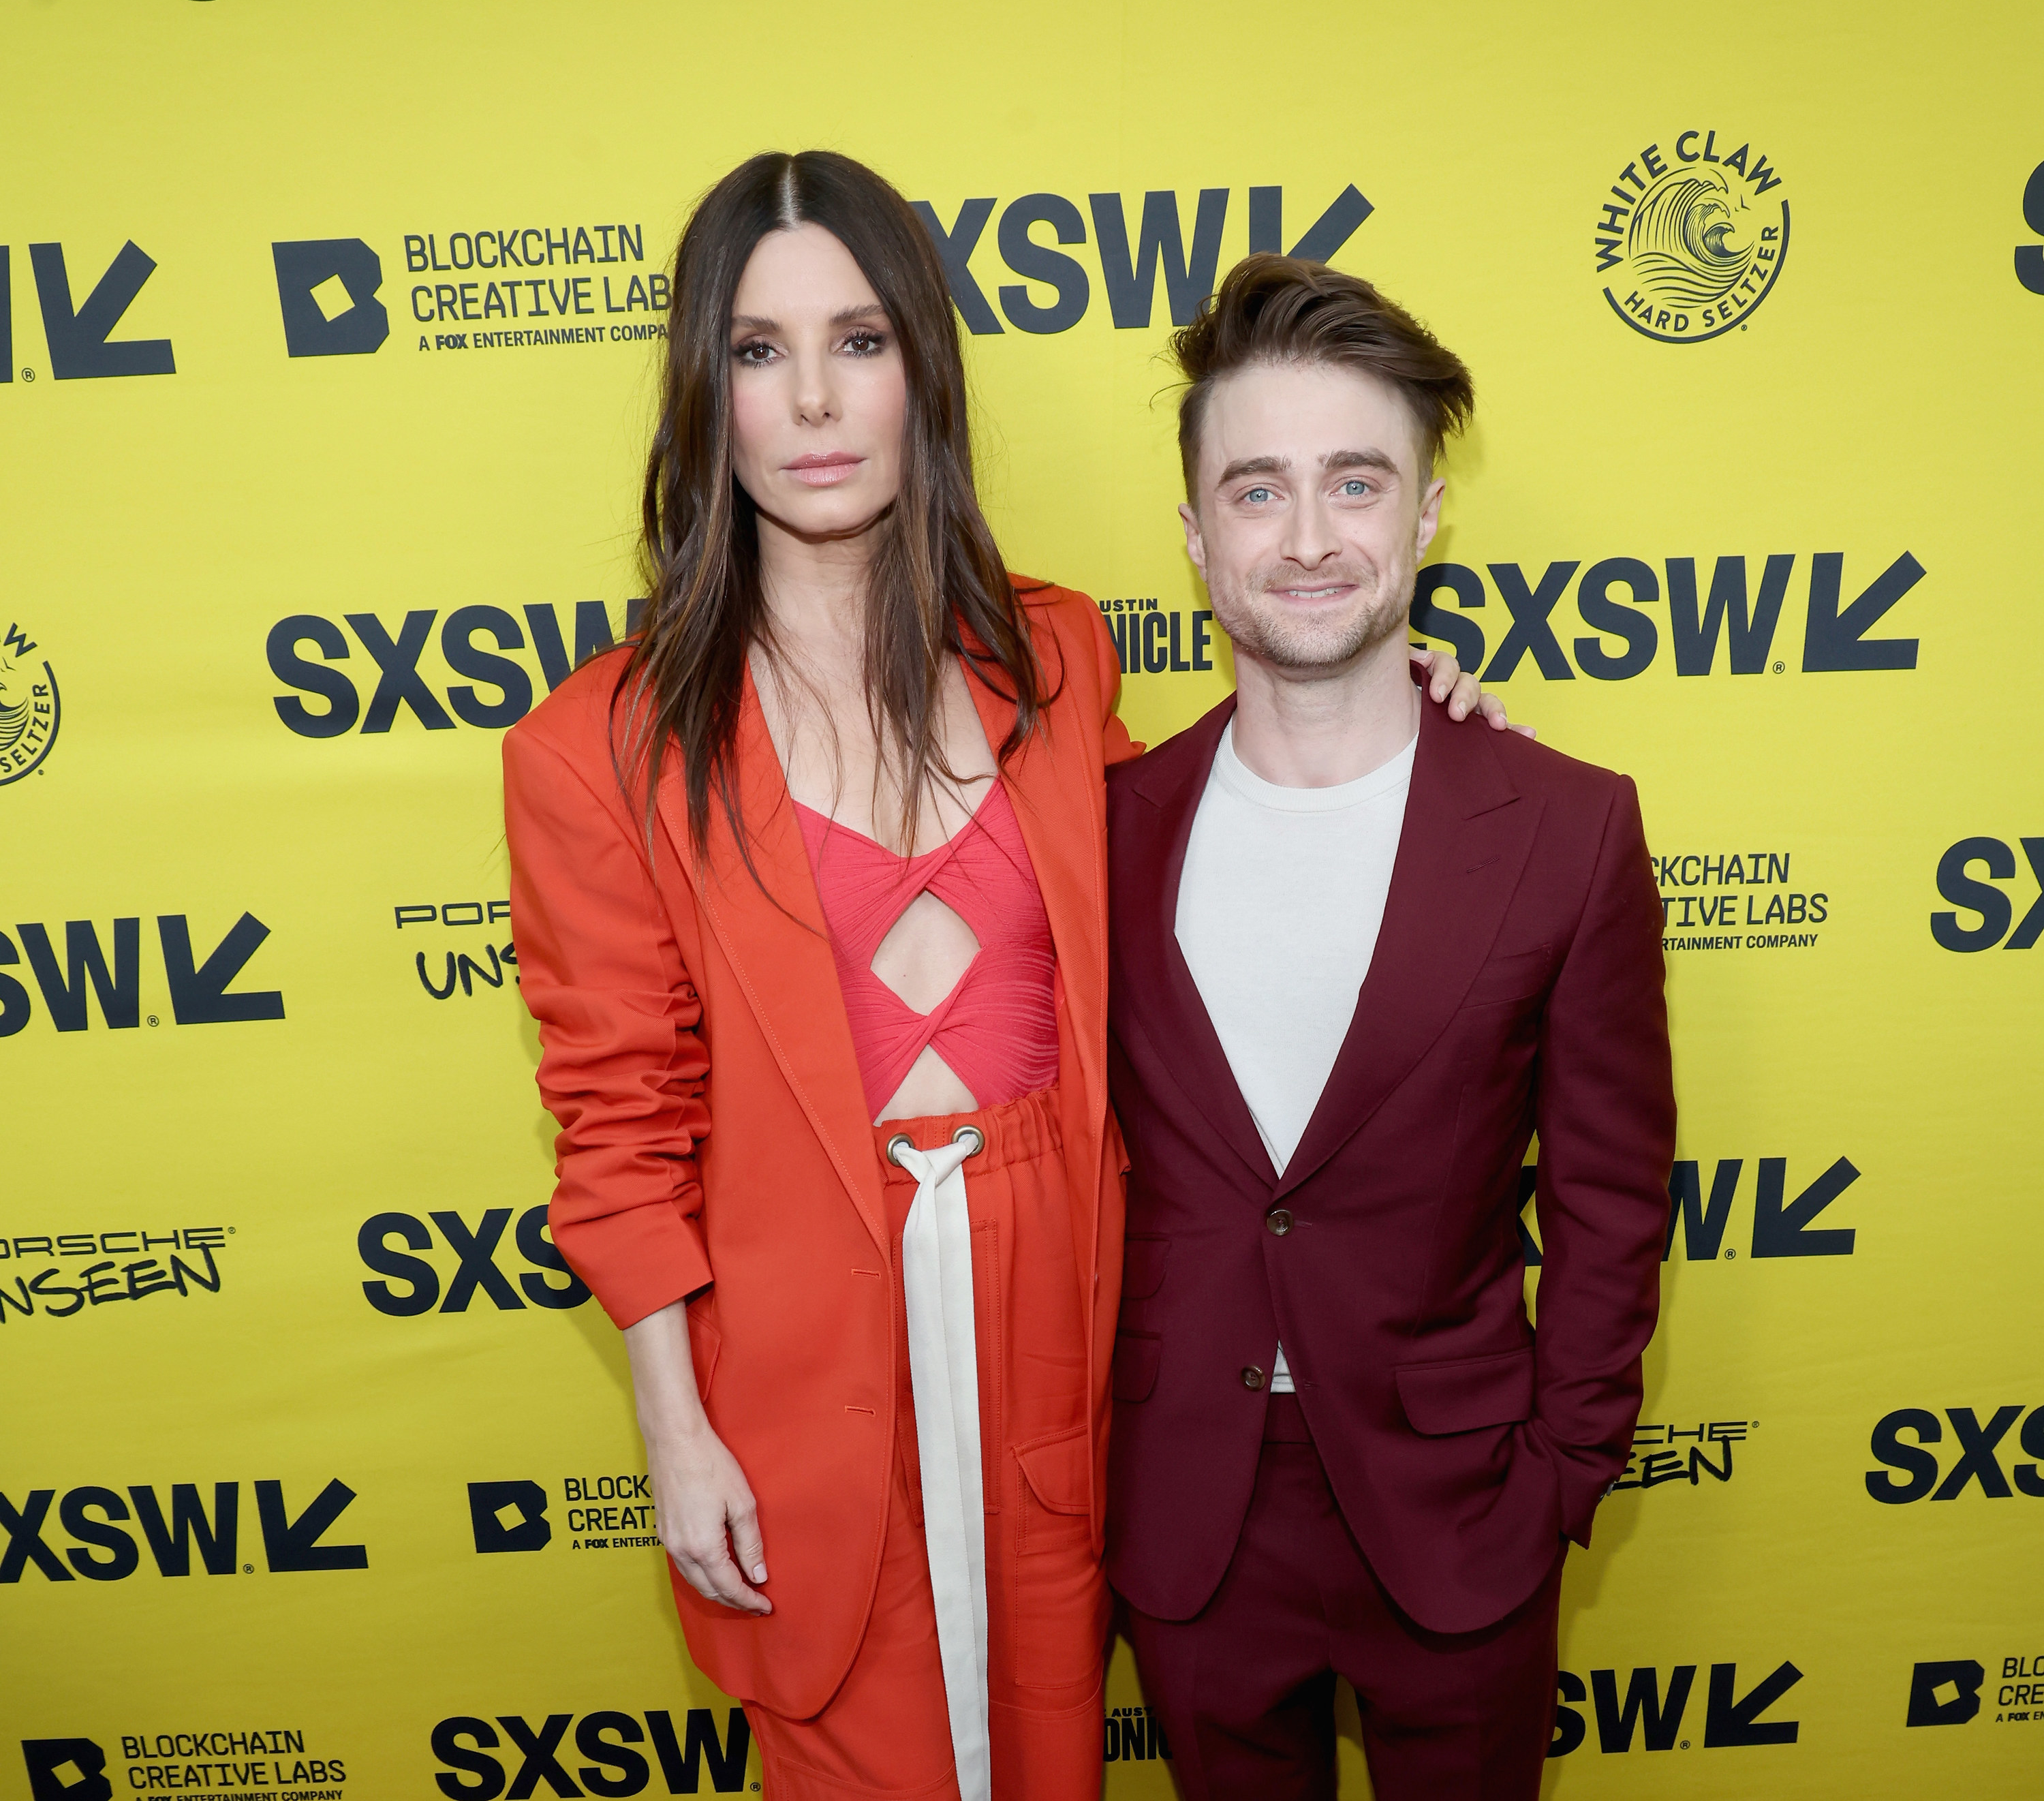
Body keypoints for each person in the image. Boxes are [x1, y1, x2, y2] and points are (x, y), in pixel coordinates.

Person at [505, 151, 1506, 1801]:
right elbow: (619, 1124)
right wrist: (675, 1434)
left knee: (1051, 1755)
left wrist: (1394, 718)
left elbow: (1205, 844)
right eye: (759, 353)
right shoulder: (592, 751)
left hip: (1065, 1325)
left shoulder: (1051, 654)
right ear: (706, 393)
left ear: (925, 372)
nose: (816, 401)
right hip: (803, 1366)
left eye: (863, 341)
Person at [1104, 254, 1677, 1801]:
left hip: (1464, 1505)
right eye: (1257, 489)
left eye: (1355, 484)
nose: (1306, 540)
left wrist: (1561, 1471)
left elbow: (1618, 1196)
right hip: (1187, 1508)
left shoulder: (1568, 828)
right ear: (1195, 532)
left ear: (1426, 512)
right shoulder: (1096, 829)